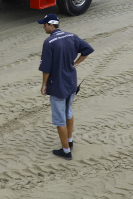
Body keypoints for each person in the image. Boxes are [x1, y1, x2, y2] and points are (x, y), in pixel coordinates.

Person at [38, 13, 94, 160]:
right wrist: (76, 63)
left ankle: (66, 151)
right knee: (68, 111)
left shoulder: (49, 42)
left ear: (51, 25)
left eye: (44, 24)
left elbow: (46, 68)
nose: (43, 27)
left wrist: (44, 84)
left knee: (59, 119)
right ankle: (69, 140)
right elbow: (88, 50)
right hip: (71, 81)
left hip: (57, 85)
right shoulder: (72, 36)